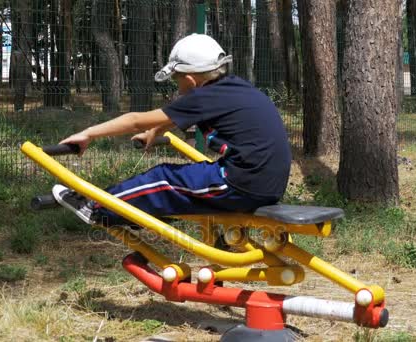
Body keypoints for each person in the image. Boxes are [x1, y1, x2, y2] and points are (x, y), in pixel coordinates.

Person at [54, 34, 291, 227]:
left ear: (189, 79)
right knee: (183, 182)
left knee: (163, 179)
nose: (177, 85)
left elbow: (136, 120)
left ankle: (96, 208)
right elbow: (176, 117)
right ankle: (136, 213)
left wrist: (89, 133)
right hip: (268, 186)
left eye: (177, 80)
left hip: (240, 183)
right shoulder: (233, 87)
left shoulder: (204, 96)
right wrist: (155, 132)